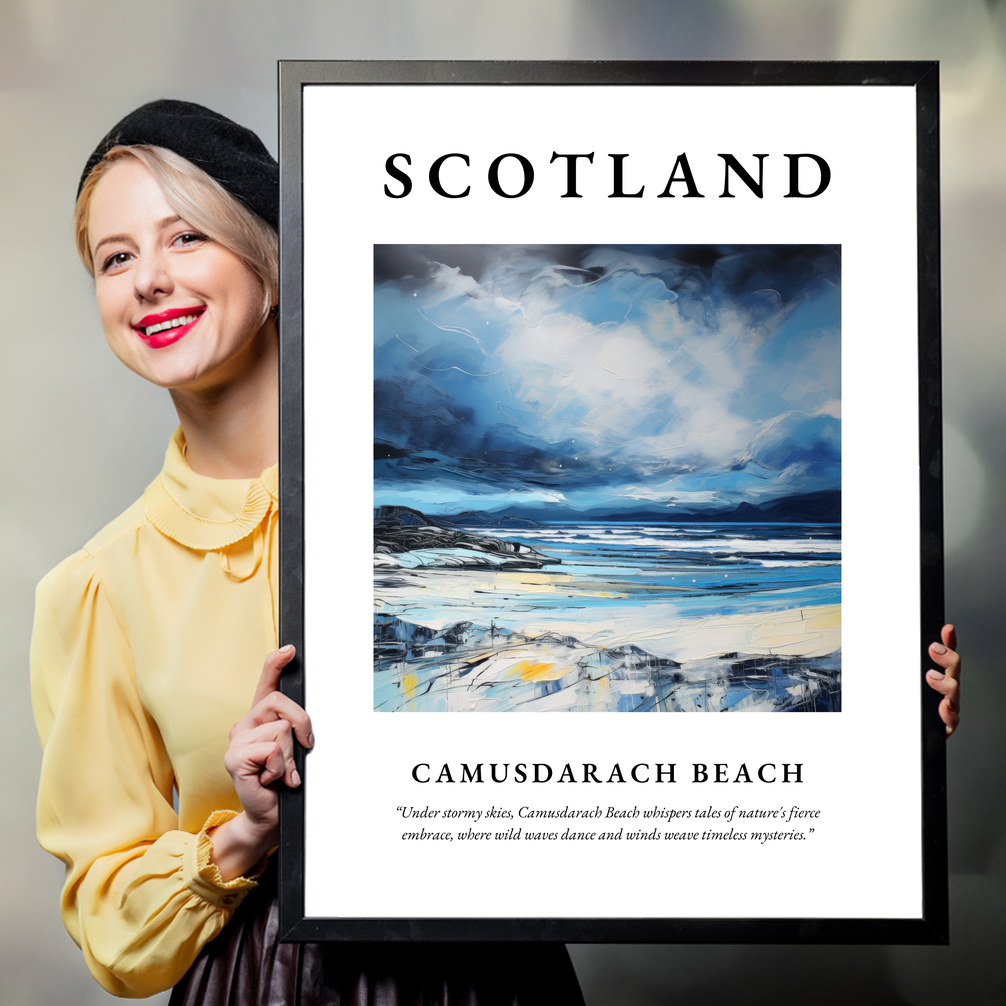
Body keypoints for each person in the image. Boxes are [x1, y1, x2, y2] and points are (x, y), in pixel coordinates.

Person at [30, 100, 585, 1004]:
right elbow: (110, 925)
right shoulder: (97, 587)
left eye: (186, 239)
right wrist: (245, 832)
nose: (148, 281)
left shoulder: (446, 510)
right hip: (263, 981)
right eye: (116, 257)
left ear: (274, 264)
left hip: (493, 973)